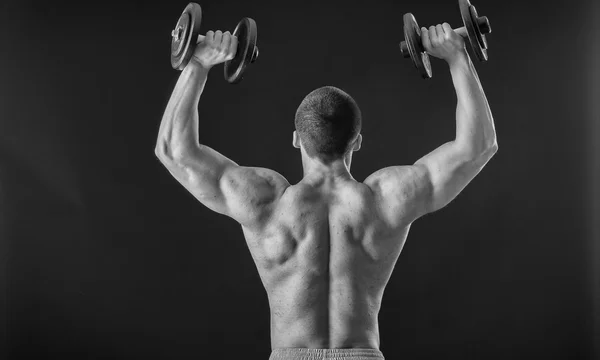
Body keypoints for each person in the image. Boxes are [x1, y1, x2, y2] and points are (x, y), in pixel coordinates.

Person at [155, 23, 498, 360]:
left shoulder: (264, 201)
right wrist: (457, 57)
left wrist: (198, 64)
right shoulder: (387, 199)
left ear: (296, 139)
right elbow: (478, 146)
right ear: (357, 142)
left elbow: (174, 150)